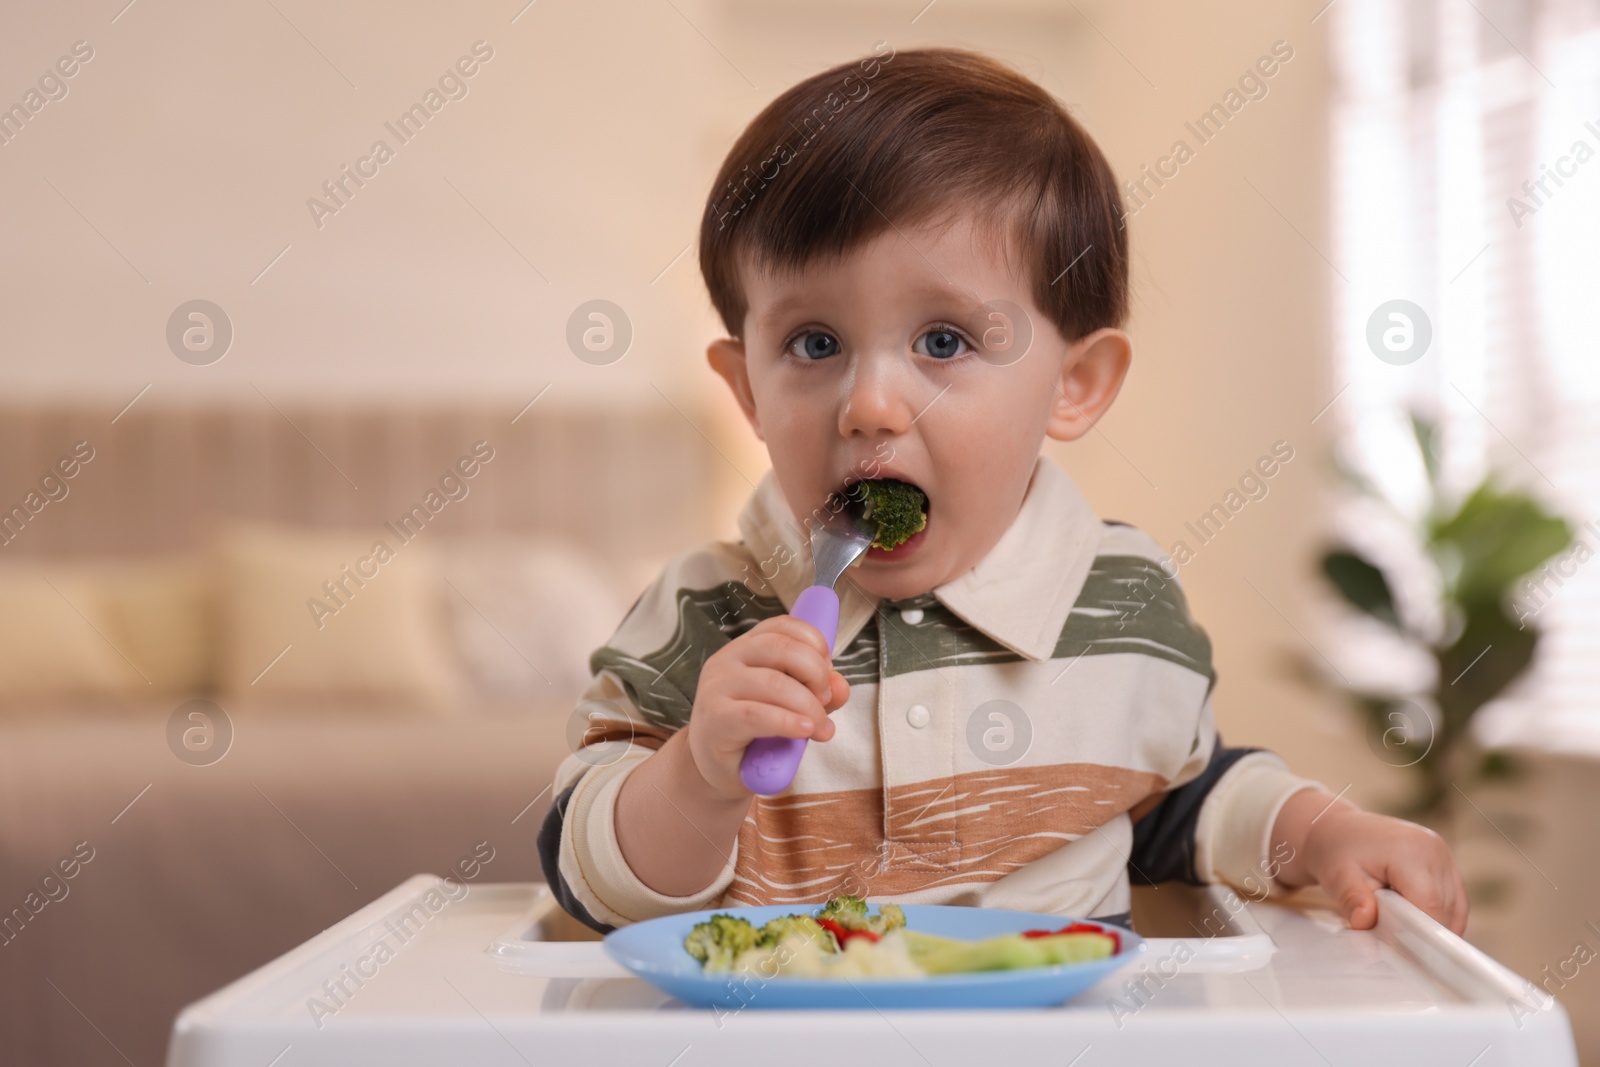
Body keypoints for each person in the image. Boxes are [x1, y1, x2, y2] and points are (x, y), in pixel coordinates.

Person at [538, 45, 1467, 937]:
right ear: (748, 389)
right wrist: (698, 778)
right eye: (814, 344)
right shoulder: (702, 613)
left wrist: (1325, 834)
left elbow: (1179, 798)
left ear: (1075, 383)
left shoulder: (1123, 599)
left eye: (943, 342)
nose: (868, 405)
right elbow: (585, 875)